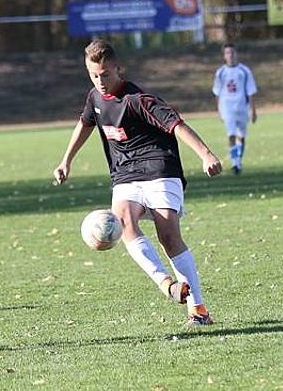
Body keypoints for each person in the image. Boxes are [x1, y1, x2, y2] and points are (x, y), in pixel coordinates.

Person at [53, 39, 223, 326]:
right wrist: (65, 160)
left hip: (160, 168)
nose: (100, 81)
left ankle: (198, 310)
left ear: (119, 69)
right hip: (125, 174)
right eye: (94, 75)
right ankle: (166, 284)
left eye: (105, 74)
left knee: (168, 236)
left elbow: (177, 124)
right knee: (123, 221)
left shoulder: (139, 100)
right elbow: (84, 124)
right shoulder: (94, 98)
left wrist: (206, 154)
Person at [211, 43, 258, 174]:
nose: (230, 55)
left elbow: (251, 92)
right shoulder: (220, 72)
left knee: (241, 137)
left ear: (236, 54)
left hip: (242, 107)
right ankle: (235, 163)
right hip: (227, 108)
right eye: (227, 53)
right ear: (224, 56)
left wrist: (253, 111)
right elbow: (217, 93)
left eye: (232, 52)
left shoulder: (244, 71)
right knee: (231, 135)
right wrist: (219, 110)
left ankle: (238, 160)